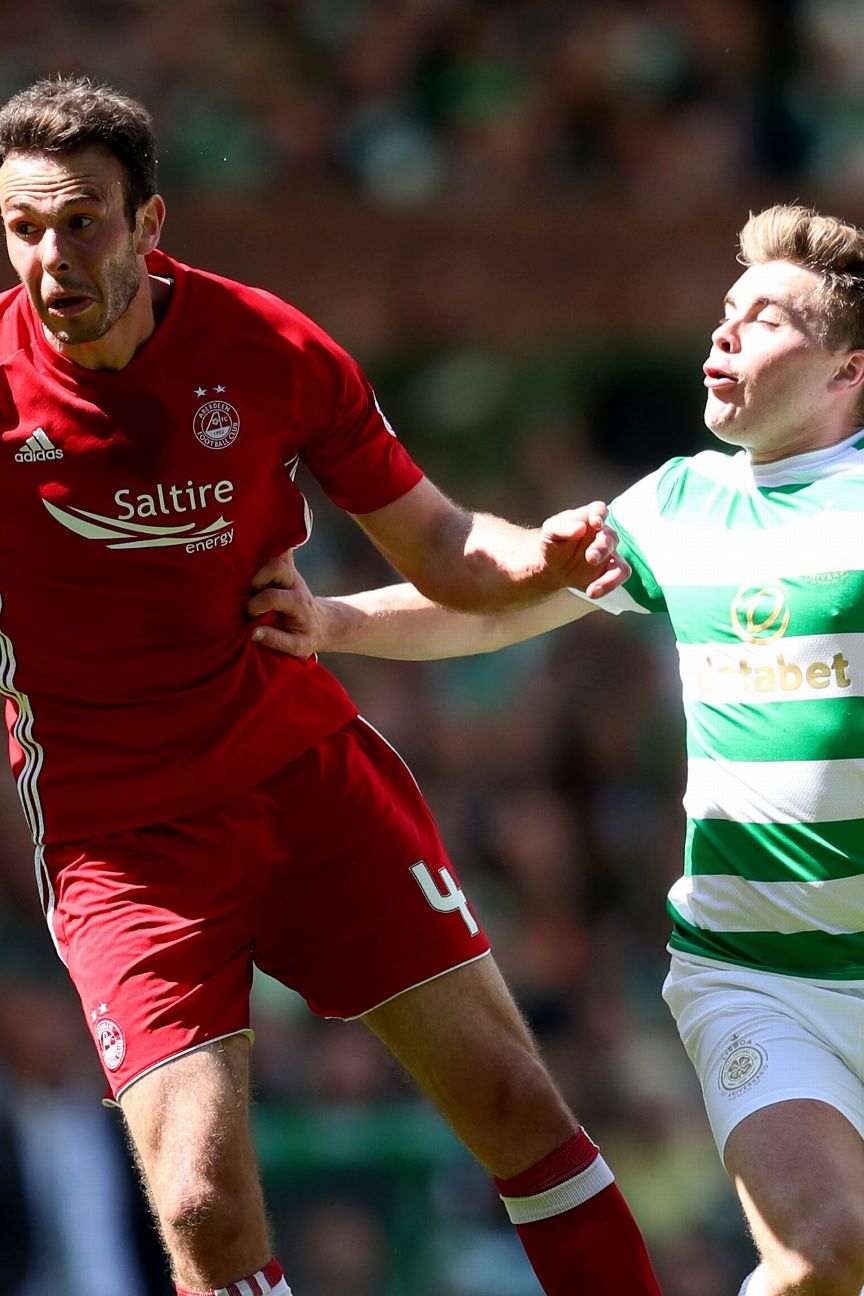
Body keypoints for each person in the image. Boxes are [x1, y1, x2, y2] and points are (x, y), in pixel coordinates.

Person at [0, 75, 664, 1296]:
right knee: (200, 1204)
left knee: (516, 1101)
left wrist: (544, 555)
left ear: (150, 224)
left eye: (82, 220)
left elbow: (448, 551)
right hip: (122, 840)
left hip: (303, 774)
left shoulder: (269, 349)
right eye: (25, 228)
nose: (52, 256)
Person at [252, 203, 864, 1296]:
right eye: (725, 312)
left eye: (765, 318)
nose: (724, 335)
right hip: (759, 973)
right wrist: (336, 622)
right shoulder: (680, 502)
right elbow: (495, 610)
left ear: (848, 368)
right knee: (823, 1252)